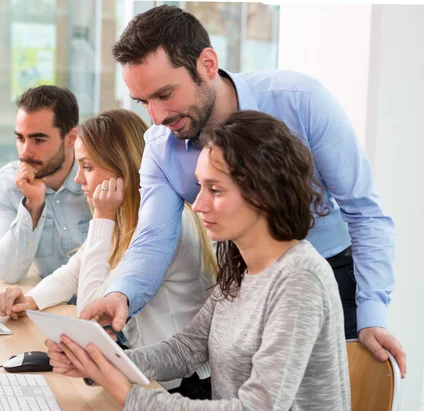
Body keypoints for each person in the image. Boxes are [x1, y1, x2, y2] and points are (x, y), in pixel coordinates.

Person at [77, 5, 406, 376]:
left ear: (207, 64)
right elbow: (152, 240)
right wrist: (119, 294)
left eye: (164, 94)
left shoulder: (301, 99)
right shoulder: (160, 146)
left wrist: (372, 312)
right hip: (241, 275)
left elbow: (363, 211)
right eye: (143, 102)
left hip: (331, 273)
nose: (156, 117)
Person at [48, 110, 351, 410]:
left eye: (215, 190)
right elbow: (187, 348)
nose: (199, 203)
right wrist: (101, 363)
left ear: (263, 193)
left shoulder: (299, 279)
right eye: (200, 186)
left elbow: (258, 407)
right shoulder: (241, 267)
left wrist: (130, 395)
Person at [0, 109, 216, 398]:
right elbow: (77, 267)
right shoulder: (130, 217)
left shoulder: (163, 227)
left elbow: (90, 311)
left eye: (87, 167)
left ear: (120, 170)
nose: (77, 180)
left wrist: (101, 217)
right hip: (147, 369)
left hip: (181, 385)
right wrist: (32, 300)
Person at [0, 86, 92, 283]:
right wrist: (32, 206)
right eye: (20, 138)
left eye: (38, 140)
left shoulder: (97, 177)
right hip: (49, 306)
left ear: (70, 139)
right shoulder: (5, 185)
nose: (25, 152)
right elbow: (7, 273)